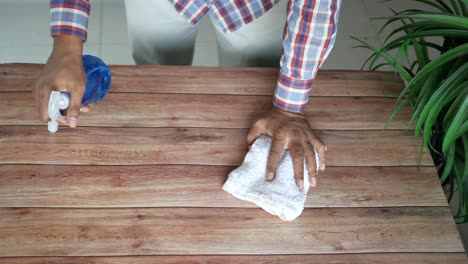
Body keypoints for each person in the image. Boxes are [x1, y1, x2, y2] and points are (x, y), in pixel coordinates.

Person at [34, 0, 341, 190]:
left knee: (254, 90)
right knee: (156, 80)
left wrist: (289, 106)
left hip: (256, 6)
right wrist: (66, 45)